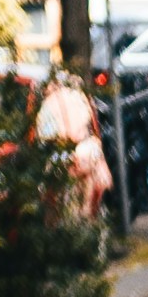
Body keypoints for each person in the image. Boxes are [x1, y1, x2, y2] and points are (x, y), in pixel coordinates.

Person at [32, 60, 109, 215]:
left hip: (64, 159)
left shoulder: (49, 103)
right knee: (85, 206)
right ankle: (86, 229)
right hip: (85, 156)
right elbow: (92, 128)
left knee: (63, 208)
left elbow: (42, 136)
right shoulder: (80, 98)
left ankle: (70, 230)